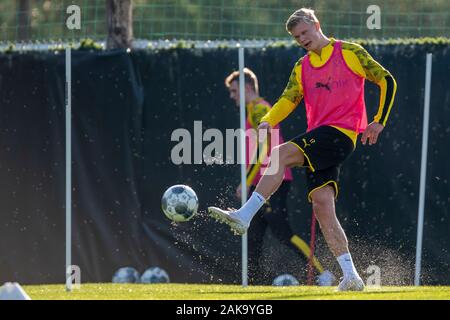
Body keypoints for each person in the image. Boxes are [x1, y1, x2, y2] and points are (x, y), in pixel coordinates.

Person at [209, 8, 397, 291]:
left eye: (304, 33)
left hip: (340, 134)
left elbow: (387, 80)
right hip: (319, 138)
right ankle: (352, 276)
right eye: (297, 37)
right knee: (323, 208)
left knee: (280, 154)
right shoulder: (302, 66)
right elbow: (288, 98)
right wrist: (268, 120)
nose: (302, 39)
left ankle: (244, 215)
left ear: (316, 24)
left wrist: (379, 121)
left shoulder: (349, 52)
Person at [224, 68, 335, 285]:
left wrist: (246, 180)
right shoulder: (253, 110)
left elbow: (264, 146)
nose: (232, 96)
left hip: (274, 180)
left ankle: (323, 273)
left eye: (235, 90)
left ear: (247, 88)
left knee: (282, 231)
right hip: (261, 182)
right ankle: (251, 284)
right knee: (254, 236)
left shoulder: (259, 109)